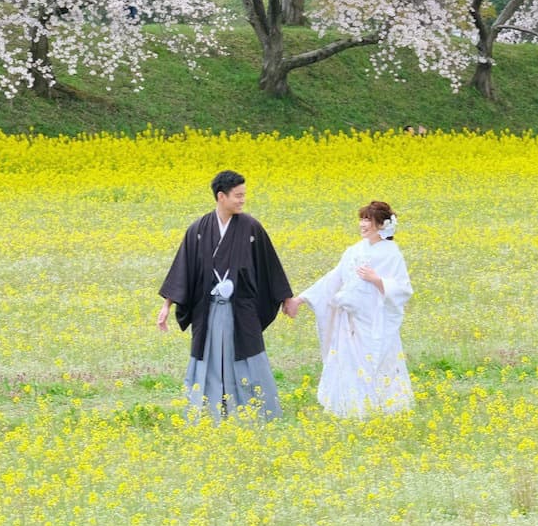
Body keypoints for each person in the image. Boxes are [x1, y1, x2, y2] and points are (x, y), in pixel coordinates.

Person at [158, 170, 294, 421]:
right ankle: (211, 412)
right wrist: (167, 305)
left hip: (241, 310)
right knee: (209, 357)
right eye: (238, 196)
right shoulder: (198, 229)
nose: (243, 200)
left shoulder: (251, 227)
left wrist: (287, 298)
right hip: (208, 310)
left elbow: (269, 265)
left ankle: (256, 410)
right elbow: (183, 269)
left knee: (247, 355)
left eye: (244, 195)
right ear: (221, 196)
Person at [285, 200, 413, 418]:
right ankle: (350, 406)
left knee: (377, 360)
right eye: (362, 219)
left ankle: (382, 405)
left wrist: (376, 279)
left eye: (368, 220)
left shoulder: (391, 253)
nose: (363, 224)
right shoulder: (354, 251)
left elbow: (403, 289)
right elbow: (333, 279)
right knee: (349, 361)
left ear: (381, 225)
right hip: (350, 320)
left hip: (374, 320)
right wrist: (302, 299)